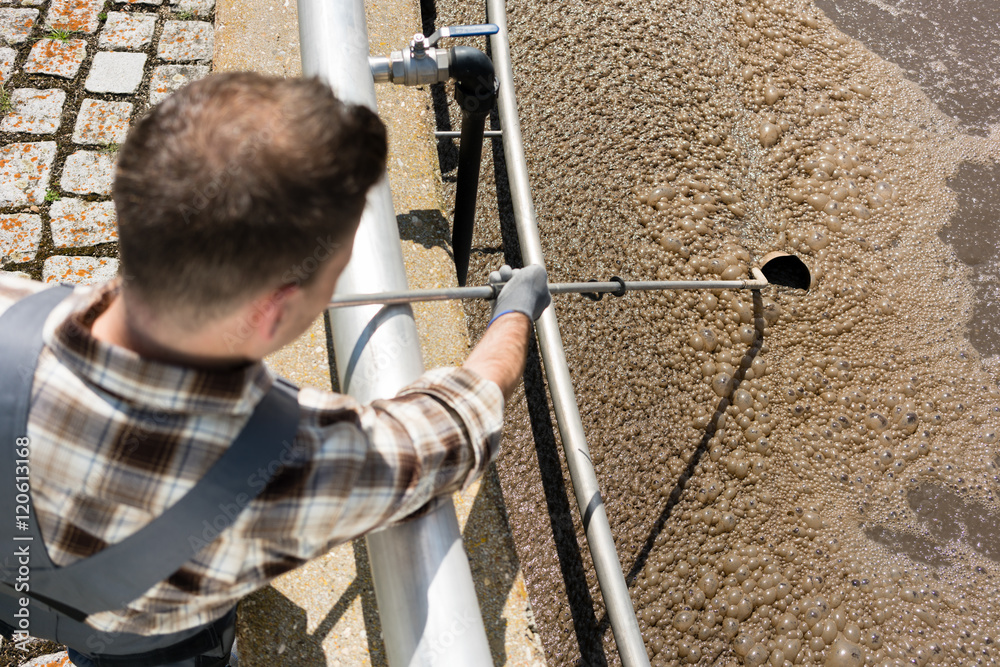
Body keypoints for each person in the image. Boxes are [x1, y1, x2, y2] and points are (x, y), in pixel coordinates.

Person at [0, 72, 549, 666]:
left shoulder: (11, 308)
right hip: (148, 645)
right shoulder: (273, 467)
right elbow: (448, 429)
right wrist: (514, 314)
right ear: (275, 312)